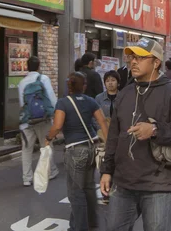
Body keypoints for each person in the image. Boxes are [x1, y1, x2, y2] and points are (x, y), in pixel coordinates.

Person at [100, 38, 171, 231]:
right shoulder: (124, 94)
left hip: (158, 182)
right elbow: (113, 137)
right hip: (124, 180)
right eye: (131, 57)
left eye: (140, 57)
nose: (133, 61)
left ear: (156, 62)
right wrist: (107, 170)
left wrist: (154, 130)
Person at [45, 72, 109, 231]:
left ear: (69, 86)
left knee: (76, 191)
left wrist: (49, 138)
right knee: (88, 188)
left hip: (75, 150)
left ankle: (80, 228)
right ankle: (91, 223)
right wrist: (109, 145)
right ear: (84, 86)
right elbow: (102, 122)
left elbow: (58, 125)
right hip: (92, 147)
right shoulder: (91, 101)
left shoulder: (63, 103)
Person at [17, 56, 59, 186]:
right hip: (43, 119)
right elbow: (51, 98)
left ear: (27, 67)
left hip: (27, 121)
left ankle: (26, 178)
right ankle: (49, 172)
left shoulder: (22, 83)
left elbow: (21, 103)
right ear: (39, 66)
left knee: (26, 149)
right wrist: (56, 113)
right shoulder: (43, 79)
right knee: (46, 146)